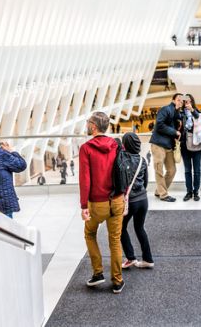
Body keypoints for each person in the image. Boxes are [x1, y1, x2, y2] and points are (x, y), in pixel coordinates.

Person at [80, 112, 125, 293]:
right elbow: (122, 171)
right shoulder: (116, 144)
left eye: (88, 122)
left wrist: (84, 206)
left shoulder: (87, 148)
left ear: (93, 126)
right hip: (117, 199)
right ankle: (117, 280)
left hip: (97, 203)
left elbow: (85, 179)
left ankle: (98, 273)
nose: (87, 125)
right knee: (114, 240)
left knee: (90, 234)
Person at [119, 133, 154, 269]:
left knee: (121, 228)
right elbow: (145, 181)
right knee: (140, 228)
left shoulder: (122, 159)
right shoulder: (142, 160)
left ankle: (130, 258)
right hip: (143, 199)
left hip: (130, 201)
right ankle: (148, 259)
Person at [149, 94, 183, 202]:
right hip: (158, 144)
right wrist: (174, 132)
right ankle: (163, 194)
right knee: (159, 169)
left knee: (172, 170)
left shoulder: (178, 114)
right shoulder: (166, 109)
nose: (180, 101)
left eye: (182, 100)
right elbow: (159, 125)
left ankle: (159, 191)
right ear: (173, 100)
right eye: (178, 99)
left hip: (168, 146)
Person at [180, 94, 201, 201]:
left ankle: (196, 192)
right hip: (185, 144)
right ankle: (189, 192)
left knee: (197, 170)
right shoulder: (180, 113)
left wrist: (192, 110)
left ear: (192, 102)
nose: (187, 103)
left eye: (189, 101)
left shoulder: (197, 112)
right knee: (187, 170)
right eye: (185, 101)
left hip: (197, 144)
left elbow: (198, 117)